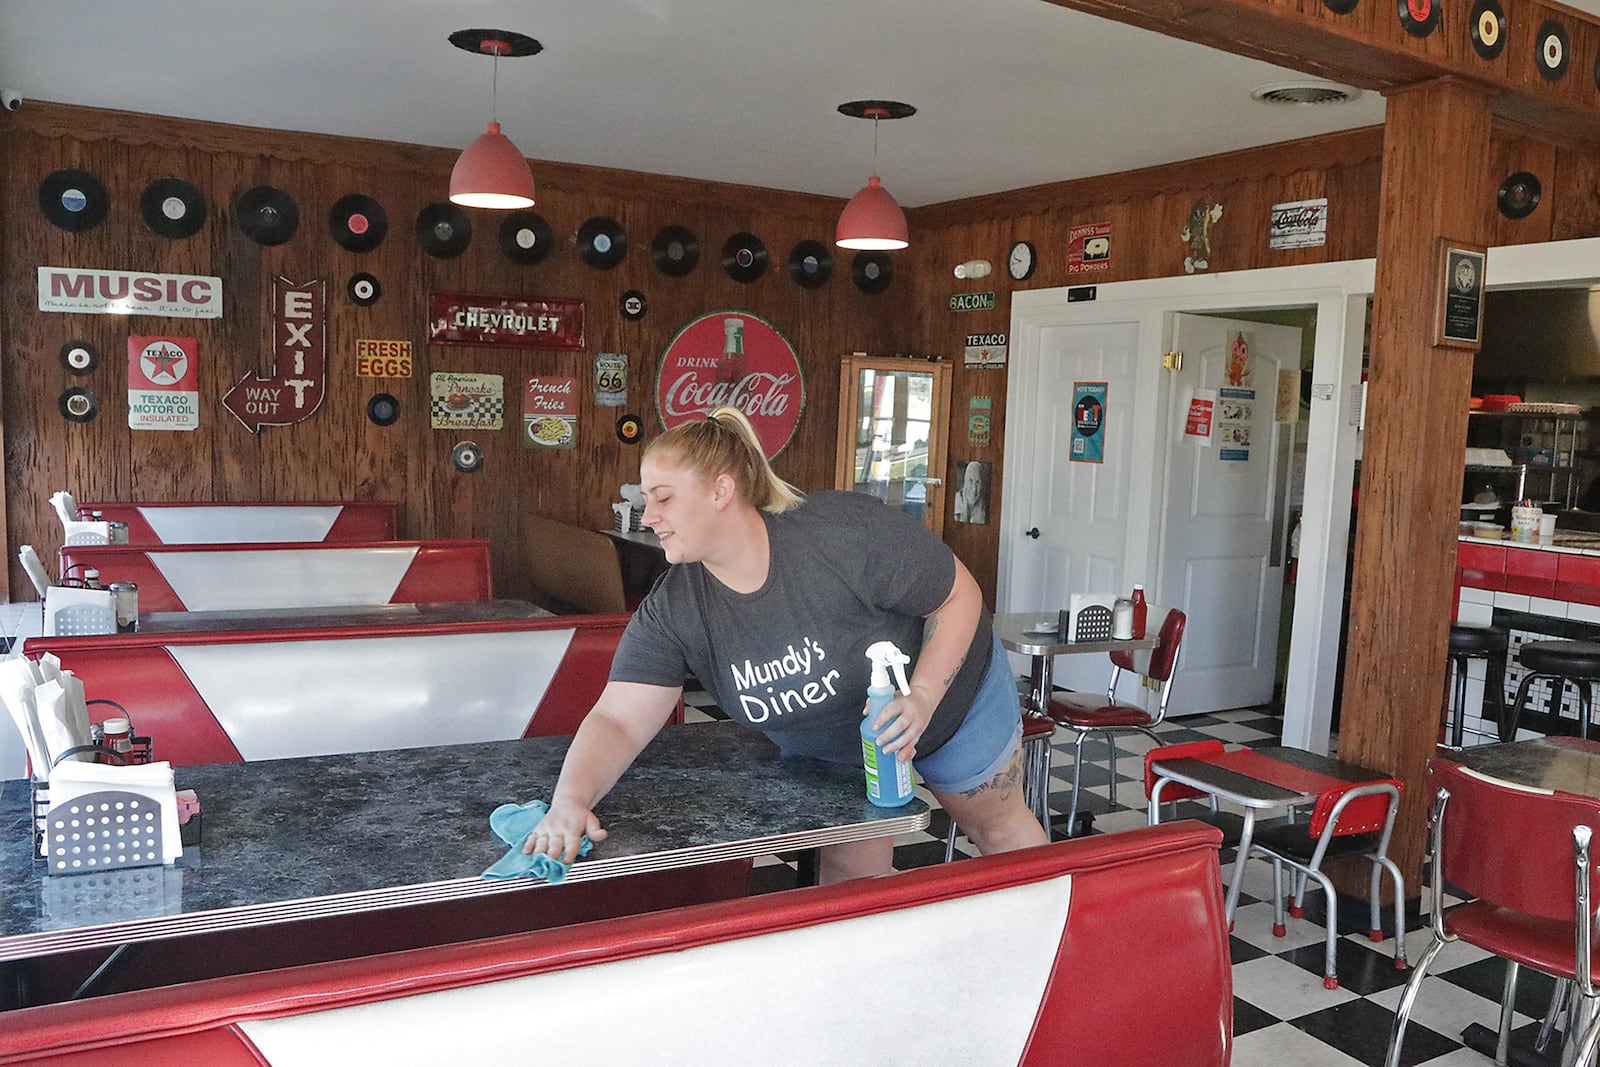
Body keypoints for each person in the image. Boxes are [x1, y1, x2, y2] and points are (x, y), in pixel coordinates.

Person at [524, 406, 1047, 882]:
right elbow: (618, 718)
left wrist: (925, 695)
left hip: (952, 699)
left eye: (664, 498)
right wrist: (569, 801)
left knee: (998, 832)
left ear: (720, 491)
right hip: (839, 745)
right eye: (647, 500)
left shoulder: (840, 535)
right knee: (850, 867)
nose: (649, 516)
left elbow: (958, 596)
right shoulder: (676, 607)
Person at [954, 460, 988, 524]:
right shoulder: (955, 503)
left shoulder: (984, 507)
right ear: (965, 482)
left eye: (977, 482)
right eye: (970, 481)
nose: (974, 489)